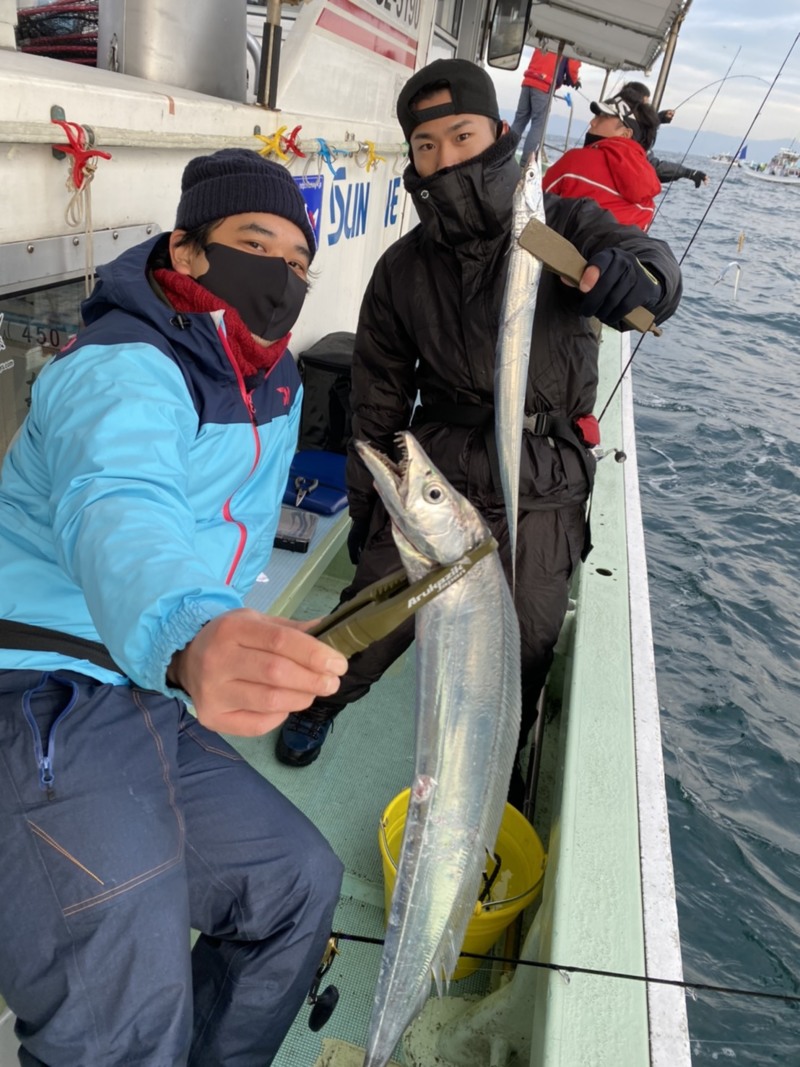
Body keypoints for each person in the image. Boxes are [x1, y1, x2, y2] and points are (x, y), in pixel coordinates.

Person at [0, 148, 350, 1066]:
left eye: (301, 262)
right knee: (122, 1031)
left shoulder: (271, 379)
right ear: (188, 253)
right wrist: (192, 634)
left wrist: (245, 636)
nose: (284, 276)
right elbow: (118, 502)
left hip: (147, 688)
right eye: (256, 243)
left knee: (300, 887)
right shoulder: (121, 366)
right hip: (41, 687)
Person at [276, 58, 682, 803]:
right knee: (371, 618)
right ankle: (321, 702)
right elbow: (377, 405)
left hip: (545, 477)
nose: (444, 157)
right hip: (444, 470)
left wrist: (636, 280)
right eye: (425, 145)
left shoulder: (558, 225)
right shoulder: (401, 270)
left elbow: (649, 264)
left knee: (525, 642)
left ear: (498, 134)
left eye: (461, 134)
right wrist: (374, 514)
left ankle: (497, 766)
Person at [542, 95, 662, 229]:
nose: (592, 122)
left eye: (602, 117)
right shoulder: (648, 204)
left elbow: (534, 202)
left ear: (625, 134)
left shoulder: (575, 161)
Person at [619, 81, 709, 188]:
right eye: (645, 104)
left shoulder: (619, 122)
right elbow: (651, 167)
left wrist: (657, 119)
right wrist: (687, 173)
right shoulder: (629, 135)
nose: (647, 108)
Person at [510, 47, 582, 165]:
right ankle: (524, 166)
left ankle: (504, 156)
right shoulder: (572, 42)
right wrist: (574, 81)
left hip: (528, 81)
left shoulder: (546, 38)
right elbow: (572, 67)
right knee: (538, 125)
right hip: (543, 86)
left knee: (519, 121)